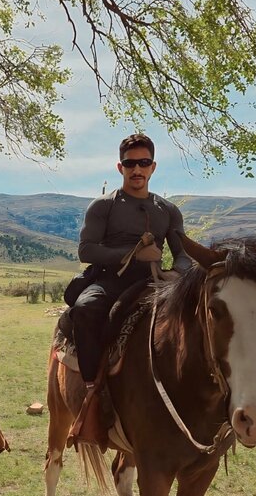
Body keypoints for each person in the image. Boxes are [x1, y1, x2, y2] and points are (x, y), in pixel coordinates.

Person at [67, 133, 191, 445]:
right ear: (119, 167)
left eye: (143, 163)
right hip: (109, 280)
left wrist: (177, 273)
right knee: (85, 308)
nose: (137, 169)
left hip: (154, 282)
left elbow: (183, 254)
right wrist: (131, 254)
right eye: (130, 163)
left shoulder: (168, 210)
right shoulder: (103, 206)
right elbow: (86, 250)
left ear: (153, 167)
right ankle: (92, 392)